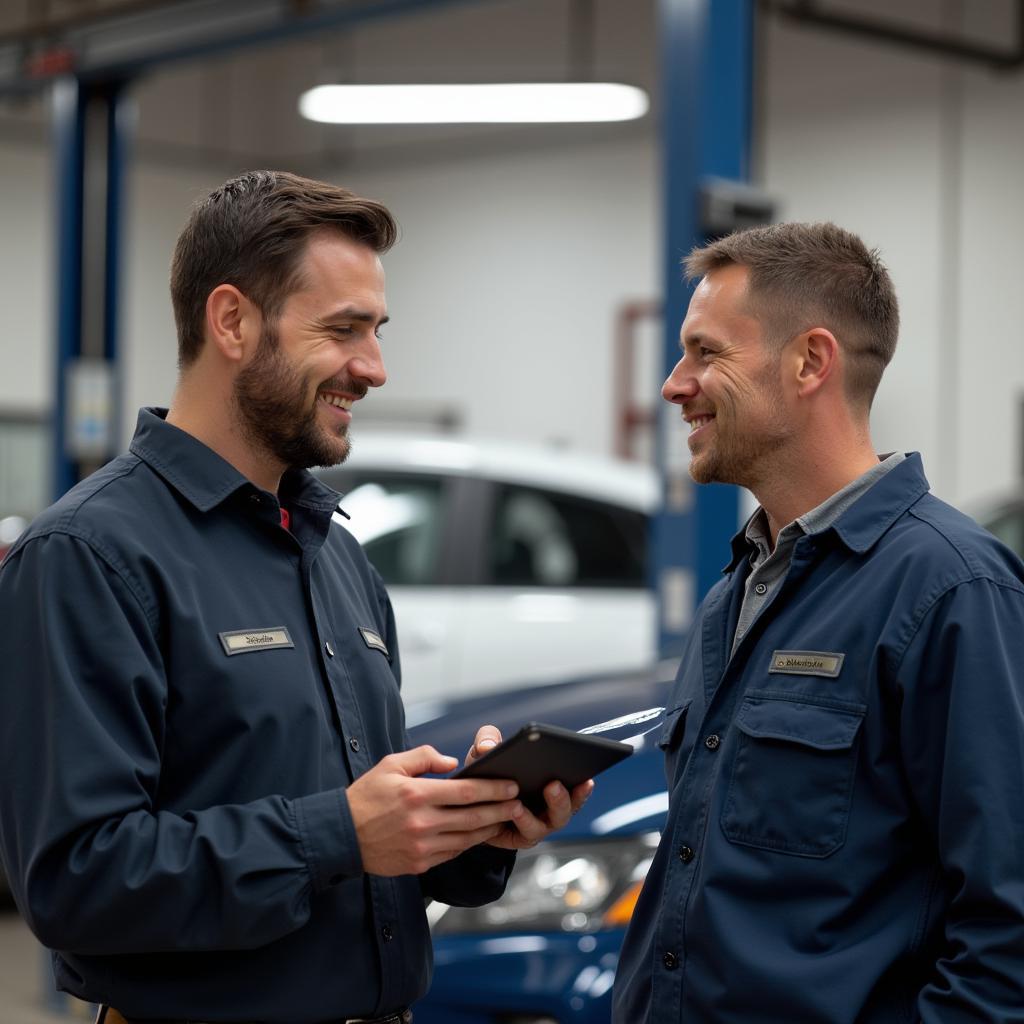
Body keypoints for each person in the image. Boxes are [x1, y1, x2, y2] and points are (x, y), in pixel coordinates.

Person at [0, 170, 592, 1024]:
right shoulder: (88, 556)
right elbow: (76, 880)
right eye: (344, 331)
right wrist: (338, 833)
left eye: (377, 331)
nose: (375, 369)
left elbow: (355, 846)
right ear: (232, 320)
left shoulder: (334, 551)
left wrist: (468, 830)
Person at [612, 221, 1024, 1023]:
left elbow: (1008, 931)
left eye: (706, 352)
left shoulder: (953, 590)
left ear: (810, 361)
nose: (673, 383)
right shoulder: (738, 589)